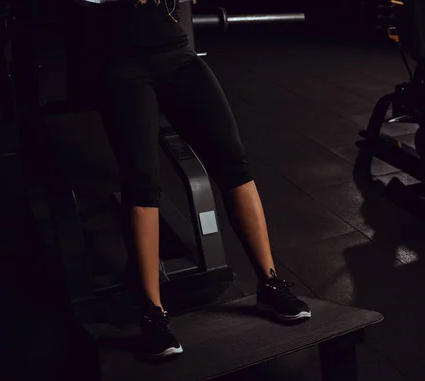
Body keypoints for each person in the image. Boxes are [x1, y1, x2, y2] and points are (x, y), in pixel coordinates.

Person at [75, 0, 311, 360]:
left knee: (233, 162)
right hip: (123, 66)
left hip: (179, 57)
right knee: (141, 183)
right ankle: (152, 314)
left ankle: (269, 283)